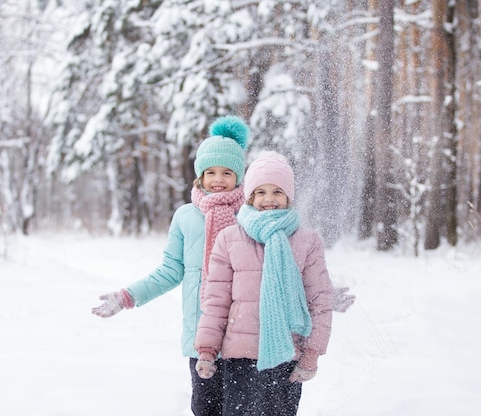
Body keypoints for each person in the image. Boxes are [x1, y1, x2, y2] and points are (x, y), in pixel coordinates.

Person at [91, 115, 251, 416]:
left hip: (243, 335)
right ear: (199, 176)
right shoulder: (186, 216)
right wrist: (128, 296)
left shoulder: (249, 216)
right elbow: (170, 270)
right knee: (205, 408)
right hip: (199, 333)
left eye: (227, 172)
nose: (218, 179)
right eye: (211, 171)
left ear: (239, 176)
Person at [194, 151, 334, 416]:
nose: (269, 199)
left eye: (277, 192)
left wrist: (313, 352)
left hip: (287, 357)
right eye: (260, 192)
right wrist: (207, 348)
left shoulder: (307, 241)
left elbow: (321, 300)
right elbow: (216, 302)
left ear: (289, 196)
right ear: (249, 196)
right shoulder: (229, 238)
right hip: (240, 359)